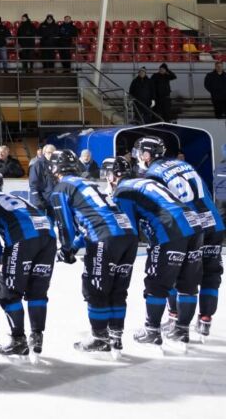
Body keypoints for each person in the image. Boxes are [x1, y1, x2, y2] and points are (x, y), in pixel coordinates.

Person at [49, 149, 138, 356]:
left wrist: (66, 250)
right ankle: (116, 337)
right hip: (128, 235)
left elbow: (66, 228)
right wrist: (74, 246)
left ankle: (100, 338)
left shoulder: (61, 188)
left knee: (95, 289)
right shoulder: (87, 183)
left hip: (104, 238)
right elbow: (93, 221)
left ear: (54, 169)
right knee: (117, 290)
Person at [135, 136, 224, 340]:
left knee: (178, 273)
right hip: (213, 222)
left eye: (140, 152)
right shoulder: (183, 164)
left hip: (189, 226)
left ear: (147, 155)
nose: (138, 157)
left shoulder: (153, 173)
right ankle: (205, 320)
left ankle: (175, 319)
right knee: (210, 274)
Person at [109, 157, 203, 347]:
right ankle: (182, 330)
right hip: (194, 224)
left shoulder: (122, 191)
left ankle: (152, 330)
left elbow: (130, 230)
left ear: (112, 176)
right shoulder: (145, 181)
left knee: (157, 283)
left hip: (170, 230)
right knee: (188, 283)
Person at [0, 171, 56, 359]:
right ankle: (37, 336)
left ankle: (18, 340)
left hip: (24, 239)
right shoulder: (13, 197)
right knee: (37, 291)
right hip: (49, 237)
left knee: (8, 292)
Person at [28, 144, 56, 213]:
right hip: (44, 202)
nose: (51, 155)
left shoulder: (56, 164)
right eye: (49, 152)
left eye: (53, 153)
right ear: (44, 153)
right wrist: (39, 202)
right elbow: (33, 185)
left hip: (55, 202)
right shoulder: (37, 165)